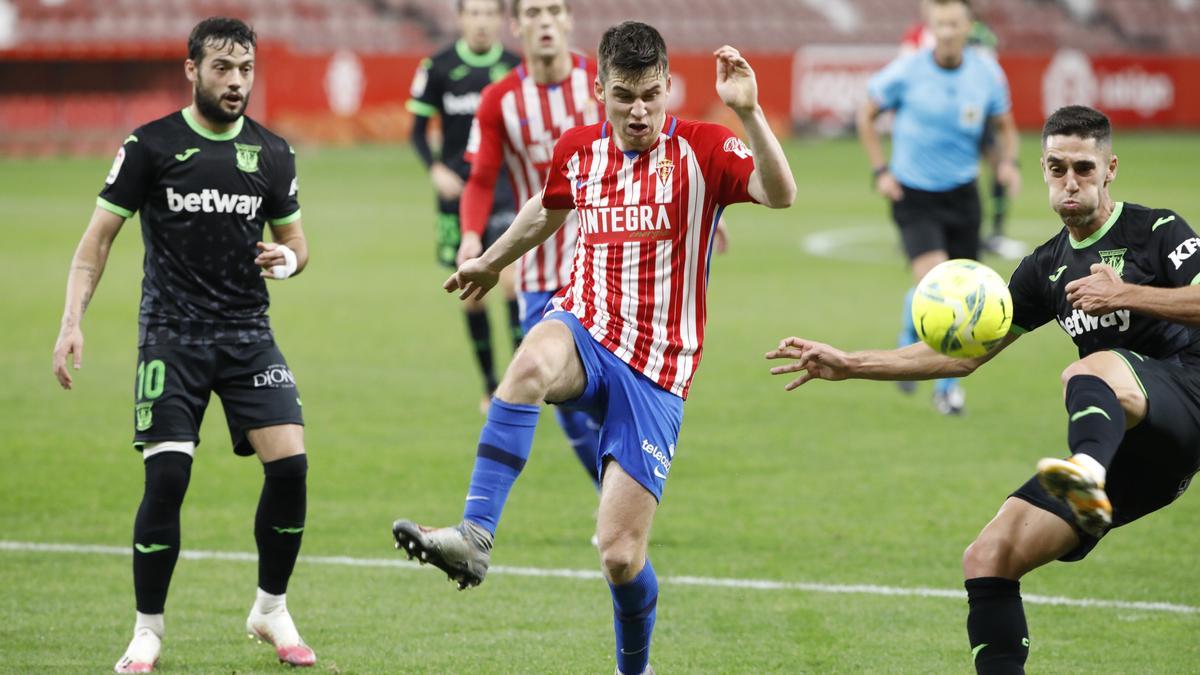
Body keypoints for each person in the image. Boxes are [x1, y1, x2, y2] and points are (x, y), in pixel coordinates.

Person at [393, 22, 795, 674]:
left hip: (658, 370)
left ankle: (633, 669)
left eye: (651, 95)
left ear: (667, 87)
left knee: (619, 556)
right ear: (600, 90)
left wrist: (747, 113)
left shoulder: (705, 147)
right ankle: (474, 534)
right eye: (624, 96)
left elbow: (781, 194)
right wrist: (492, 263)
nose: (639, 111)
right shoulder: (579, 149)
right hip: (584, 327)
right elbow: (545, 211)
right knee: (526, 363)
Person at [767, 105, 1200, 674]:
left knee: (1086, 372)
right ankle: (1087, 480)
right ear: (1043, 169)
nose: (1070, 181)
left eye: (1084, 168)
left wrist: (1126, 295)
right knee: (988, 557)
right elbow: (964, 357)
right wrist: (852, 362)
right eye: (1057, 167)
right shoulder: (1044, 268)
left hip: (1187, 397)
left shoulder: (1157, 230)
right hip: (1136, 455)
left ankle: (1085, 476)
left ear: (1110, 168)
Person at [51, 17, 316, 672]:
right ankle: (147, 630)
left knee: (290, 468)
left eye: (245, 68)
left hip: (249, 334)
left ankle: (271, 608)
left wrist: (287, 261)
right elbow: (97, 242)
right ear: (191, 69)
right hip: (172, 336)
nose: (235, 81)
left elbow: (298, 245)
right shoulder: (149, 146)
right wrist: (70, 320)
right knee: (168, 475)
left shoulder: (273, 153)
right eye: (222, 68)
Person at [456, 0, 605, 488]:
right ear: (515, 25)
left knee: (613, 392)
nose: (545, 21)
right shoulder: (501, 99)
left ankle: (623, 499)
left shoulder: (602, 85)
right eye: (534, 12)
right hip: (539, 273)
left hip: (606, 265)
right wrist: (473, 238)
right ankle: (614, 498)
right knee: (560, 398)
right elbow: (480, 179)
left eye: (555, 10)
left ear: (568, 20)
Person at [857, 0, 1021, 414]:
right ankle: (947, 388)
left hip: (963, 195)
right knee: (940, 287)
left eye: (954, 24)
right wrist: (881, 171)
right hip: (914, 194)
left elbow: (1004, 127)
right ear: (930, 26)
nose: (947, 31)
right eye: (940, 24)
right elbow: (867, 112)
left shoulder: (987, 74)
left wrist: (1007, 164)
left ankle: (908, 326)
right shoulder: (908, 70)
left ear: (968, 27)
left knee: (964, 292)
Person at [408, 0, 523, 413]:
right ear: (460, 19)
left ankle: (519, 379)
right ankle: (490, 384)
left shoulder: (516, 67)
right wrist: (435, 169)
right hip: (458, 195)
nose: (481, 22)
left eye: (489, 13)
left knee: (511, 282)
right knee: (473, 294)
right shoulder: (437, 67)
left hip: (506, 190)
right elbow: (417, 132)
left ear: (501, 20)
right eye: (473, 13)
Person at [898, 0, 1025, 260]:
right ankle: (923, 233)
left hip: (971, 114)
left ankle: (996, 231)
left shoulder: (979, 34)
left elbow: (989, 73)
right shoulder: (916, 35)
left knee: (994, 163)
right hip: (933, 120)